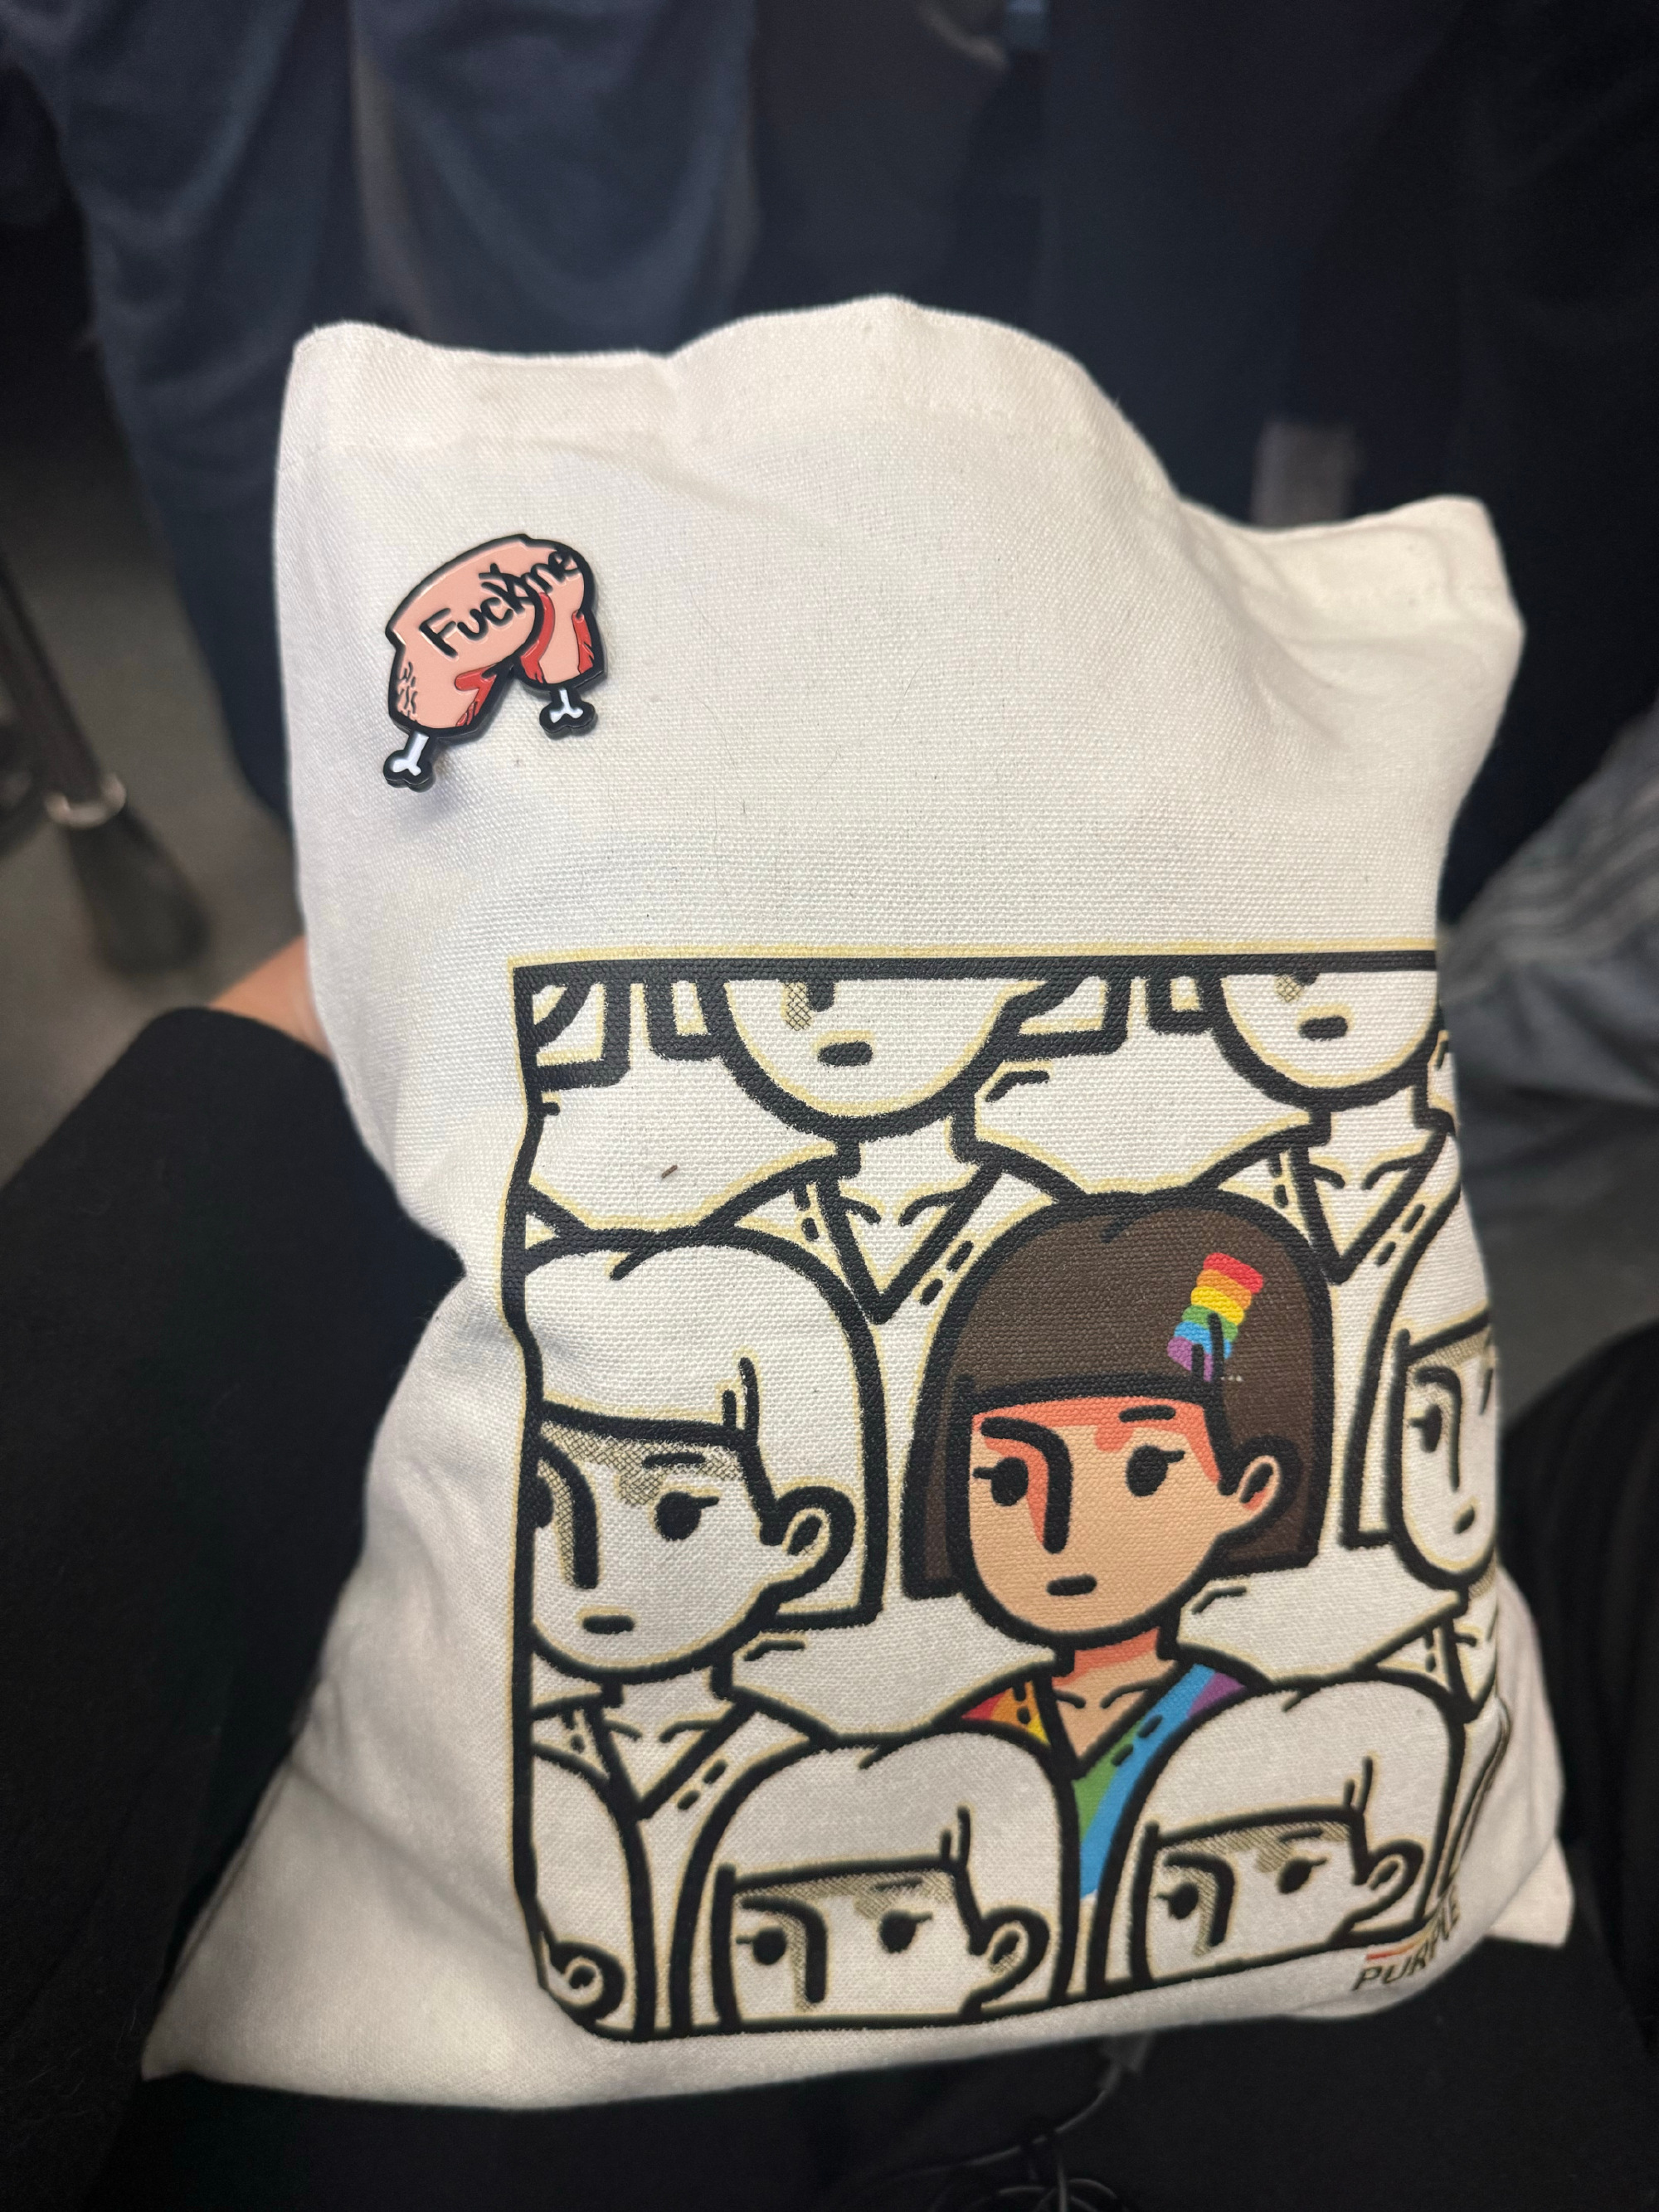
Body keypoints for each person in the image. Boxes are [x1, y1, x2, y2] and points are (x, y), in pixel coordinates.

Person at [5, 941, 1659, 2209]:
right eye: (1008, 1475)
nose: (1060, 1525)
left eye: (1146, 1468)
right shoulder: (906, 1750)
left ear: (1256, 1489)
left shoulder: (1299, 1724)